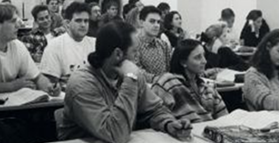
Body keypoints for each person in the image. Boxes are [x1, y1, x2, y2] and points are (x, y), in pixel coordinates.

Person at [58, 21, 191, 142]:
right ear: (118, 54)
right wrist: (130, 79)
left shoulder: (130, 75)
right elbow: (115, 134)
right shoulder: (82, 83)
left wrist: (168, 124)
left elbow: (153, 109)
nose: (137, 57)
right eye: (134, 52)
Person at [151, 39, 228, 122]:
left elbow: (224, 118)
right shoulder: (168, 83)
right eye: (198, 57)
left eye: (204, 56)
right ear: (183, 62)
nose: (204, 61)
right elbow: (155, 114)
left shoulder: (207, 88)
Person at [39, 2, 95, 88]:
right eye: (78, 21)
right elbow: (51, 83)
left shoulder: (95, 43)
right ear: (67, 23)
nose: (83, 25)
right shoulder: (55, 46)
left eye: (86, 21)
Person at [130, 6, 171, 82]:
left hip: (162, 88)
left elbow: (168, 69)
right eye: (152, 21)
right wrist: (156, 79)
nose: (156, 25)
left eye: (158, 22)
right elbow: (136, 71)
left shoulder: (163, 44)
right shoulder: (133, 45)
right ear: (141, 22)